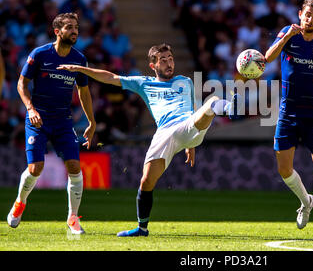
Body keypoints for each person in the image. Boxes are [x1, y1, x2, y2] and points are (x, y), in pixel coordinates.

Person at [58, 43, 240, 237]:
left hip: (187, 125)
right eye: (163, 60)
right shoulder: (143, 83)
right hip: (164, 133)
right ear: (153, 66)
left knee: (211, 103)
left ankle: (231, 109)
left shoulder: (185, 81)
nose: (169, 63)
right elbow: (110, 77)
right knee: (146, 182)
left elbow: (194, 107)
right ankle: (142, 229)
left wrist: (192, 141)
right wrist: (79, 69)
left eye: (170, 58)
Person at [7, 13, 96, 235]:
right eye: (69, 27)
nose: (74, 31)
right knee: (35, 168)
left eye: (76, 27)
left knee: (75, 167)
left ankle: (73, 218)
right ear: (57, 32)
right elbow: (21, 84)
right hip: (38, 118)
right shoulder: (40, 54)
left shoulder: (79, 59)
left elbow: (84, 92)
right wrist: (30, 109)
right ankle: (20, 203)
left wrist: (92, 122)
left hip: (63, 121)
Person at [264, 0, 313, 240]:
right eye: (307, 15)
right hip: (287, 113)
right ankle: (306, 201)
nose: (310, 19)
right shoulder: (288, 33)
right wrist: (285, 37)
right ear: (300, 14)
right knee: (284, 169)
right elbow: (267, 58)